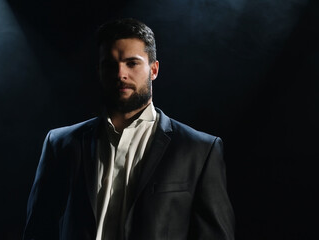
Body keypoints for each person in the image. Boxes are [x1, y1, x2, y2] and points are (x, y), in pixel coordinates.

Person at [23, 18, 235, 240]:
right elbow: (38, 231)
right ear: (99, 71)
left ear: (154, 69)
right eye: (110, 65)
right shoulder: (61, 144)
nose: (120, 74)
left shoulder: (199, 150)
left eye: (132, 63)